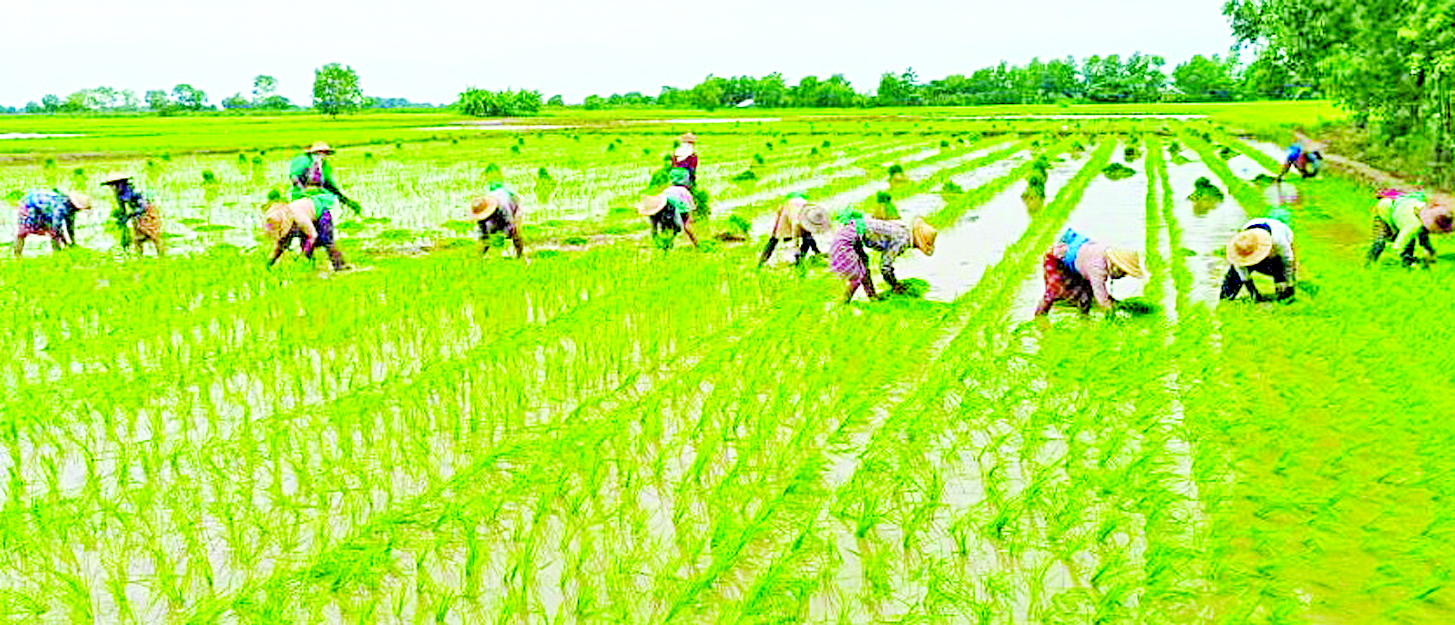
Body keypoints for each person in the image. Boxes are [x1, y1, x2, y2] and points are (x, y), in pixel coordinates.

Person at [1035, 228, 1146, 316]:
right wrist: (1112, 317)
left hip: (1079, 263)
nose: (1122, 276)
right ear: (1116, 266)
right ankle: (1039, 316)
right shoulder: (1098, 268)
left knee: (1085, 295)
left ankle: (1084, 319)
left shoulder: (1105, 256)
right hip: (1056, 259)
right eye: (1123, 272)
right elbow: (1101, 299)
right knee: (1054, 290)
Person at [829, 212, 937, 302]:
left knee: (864, 266)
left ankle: (873, 298)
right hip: (848, 238)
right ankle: (842, 304)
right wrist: (895, 284)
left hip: (853, 232)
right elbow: (885, 266)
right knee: (856, 276)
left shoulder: (903, 228)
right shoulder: (903, 241)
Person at [1222, 211, 1297, 302]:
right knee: (1233, 274)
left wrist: (1290, 284)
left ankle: (1282, 291)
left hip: (1276, 252)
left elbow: (1288, 261)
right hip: (1254, 232)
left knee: (1278, 265)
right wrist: (1253, 292)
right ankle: (1226, 297)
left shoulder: (1278, 240)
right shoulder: (1243, 242)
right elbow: (1240, 268)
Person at [1367, 189, 1454, 266]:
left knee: (1411, 241)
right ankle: (1370, 262)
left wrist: (1430, 250)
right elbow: (1398, 245)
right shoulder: (1413, 226)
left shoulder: (1424, 209)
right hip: (1384, 213)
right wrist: (1392, 257)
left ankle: (1407, 261)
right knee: (1380, 241)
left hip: (1402, 209)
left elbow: (1423, 238)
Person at [262, 197, 351, 270]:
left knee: (326, 241)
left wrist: (304, 252)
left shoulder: (299, 218)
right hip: (306, 216)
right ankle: (312, 267)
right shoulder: (279, 220)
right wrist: (269, 263)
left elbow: (312, 235)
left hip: (320, 213)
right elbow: (279, 246)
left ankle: (340, 266)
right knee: (296, 243)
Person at [100, 172, 165, 256]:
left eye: (115, 184)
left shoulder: (132, 192)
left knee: (153, 235)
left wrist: (133, 213)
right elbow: (122, 209)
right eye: (111, 185)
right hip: (136, 216)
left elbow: (143, 205)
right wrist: (121, 218)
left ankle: (161, 254)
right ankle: (140, 257)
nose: (113, 187)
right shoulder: (118, 195)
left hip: (147, 213)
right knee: (137, 238)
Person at [758, 193, 831, 266]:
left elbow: (817, 234)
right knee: (775, 237)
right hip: (787, 211)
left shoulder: (813, 213)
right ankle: (762, 262)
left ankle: (801, 260)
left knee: (807, 238)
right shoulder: (797, 222)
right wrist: (796, 248)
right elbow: (795, 236)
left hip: (799, 210)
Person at [14, 189, 91, 257]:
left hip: (43, 210)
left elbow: (70, 225)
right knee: (23, 232)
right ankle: (17, 255)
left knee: (53, 231)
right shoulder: (61, 207)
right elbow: (56, 226)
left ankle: (58, 252)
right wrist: (65, 242)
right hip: (29, 206)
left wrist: (72, 242)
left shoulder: (70, 209)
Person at [639, 168, 700, 249]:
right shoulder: (684, 191)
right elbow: (689, 205)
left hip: (665, 209)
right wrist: (691, 215)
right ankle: (696, 244)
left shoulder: (667, 190)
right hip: (678, 208)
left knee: (662, 227)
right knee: (686, 226)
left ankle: (662, 243)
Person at [466, 183, 525, 259]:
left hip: (512, 202)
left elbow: (512, 227)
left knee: (512, 231)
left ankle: (520, 253)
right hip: (498, 197)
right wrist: (480, 254)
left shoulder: (503, 209)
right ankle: (481, 254)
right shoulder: (480, 210)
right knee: (488, 230)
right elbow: (482, 233)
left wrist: (517, 249)